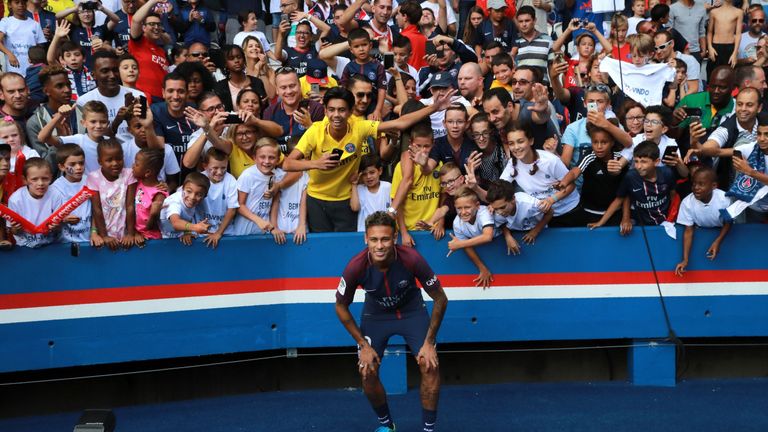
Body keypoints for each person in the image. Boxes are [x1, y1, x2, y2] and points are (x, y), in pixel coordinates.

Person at [283, 86, 455, 233]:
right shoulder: (315, 131)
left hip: (345, 200)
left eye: (342, 110)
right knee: (321, 249)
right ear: (325, 111)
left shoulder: (360, 127)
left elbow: (401, 123)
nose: (336, 115)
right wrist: (316, 163)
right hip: (316, 200)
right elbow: (287, 163)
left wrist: (435, 107)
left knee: (346, 248)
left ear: (350, 112)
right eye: (332, 110)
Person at [335, 210, 447, 432]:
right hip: (376, 316)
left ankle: (428, 430)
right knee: (367, 370)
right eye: (374, 239)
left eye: (385, 239)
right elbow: (340, 306)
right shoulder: (355, 266)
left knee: (429, 365)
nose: (379, 245)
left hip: (411, 312)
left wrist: (429, 342)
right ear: (366, 239)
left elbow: (441, 299)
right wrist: (363, 345)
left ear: (394, 238)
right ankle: (387, 425)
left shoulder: (412, 258)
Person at [588, 140, 677, 234]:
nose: (638, 166)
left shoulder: (667, 173)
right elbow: (620, 199)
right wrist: (601, 222)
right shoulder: (631, 177)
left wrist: (672, 218)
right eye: (636, 161)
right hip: (641, 224)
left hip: (665, 222)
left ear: (656, 162)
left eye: (643, 162)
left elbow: (673, 196)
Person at [501, 124, 581, 227]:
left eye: (520, 141)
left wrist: (552, 200)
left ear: (531, 141)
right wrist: (475, 187)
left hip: (569, 212)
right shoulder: (512, 164)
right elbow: (499, 189)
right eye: (511, 143)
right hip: (546, 216)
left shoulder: (550, 160)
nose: (516, 147)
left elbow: (571, 185)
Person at [687, 87, 763, 190]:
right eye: (740, 104)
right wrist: (696, 143)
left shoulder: (765, 121)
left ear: (759, 108)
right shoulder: (727, 128)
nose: (743, 109)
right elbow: (710, 146)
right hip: (734, 187)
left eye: (749, 105)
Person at [555, 121, 628, 225]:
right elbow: (575, 172)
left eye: (604, 142)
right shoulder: (589, 156)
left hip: (615, 213)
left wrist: (626, 218)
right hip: (589, 212)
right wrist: (564, 183)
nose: (599, 146)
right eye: (595, 142)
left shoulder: (620, 158)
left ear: (612, 142)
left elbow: (625, 193)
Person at [674, 166, 732, 277]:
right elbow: (688, 231)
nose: (696, 188)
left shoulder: (724, 199)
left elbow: (728, 223)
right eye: (694, 184)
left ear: (714, 186)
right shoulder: (687, 203)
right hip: (701, 228)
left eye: (701, 184)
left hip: (721, 231)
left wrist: (718, 241)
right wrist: (685, 260)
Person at [76, 51, 144, 143]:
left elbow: (145, 131)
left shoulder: (138, 96)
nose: (112, 75)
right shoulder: (84, 101)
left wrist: (131, 118)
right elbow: (85, 138)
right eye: (105, 71)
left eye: (115, 70)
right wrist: (117, 120)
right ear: (93, 75)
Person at [27, 66, 83, 176]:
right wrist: (58, 143)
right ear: (46, 91)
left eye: (68, 84)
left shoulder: (83, 112)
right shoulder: (35, 122)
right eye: (59, 86)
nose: (67, 90)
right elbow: (44, 167)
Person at [231, 137, 286, 242]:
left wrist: (274, 227)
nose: (266, 161)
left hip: (263, 232)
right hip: (244, 232)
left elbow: (275, 202)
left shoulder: (276, 176)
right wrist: (258, 221)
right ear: (254, 158)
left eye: (271, 157)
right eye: (262, 157)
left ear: (278, 160)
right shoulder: (248, 175)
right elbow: (239, 205)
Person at [87, 138, 138, 250]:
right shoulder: (93, 177)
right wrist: (104, 236)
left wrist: (130, 233)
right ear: (100, 161)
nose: (115, 163)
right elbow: (97, 209)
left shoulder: (129, 174)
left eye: (119, 159)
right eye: (109, 160)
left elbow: (130, 206)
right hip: (104, 233)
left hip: (125, 232)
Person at [38, 100, 112, 175]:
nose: (98, 126)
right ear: (83, 123)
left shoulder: (111, 143)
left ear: (108, 123)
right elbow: (42, 137)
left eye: (103, 122)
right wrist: (60, 116)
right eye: (93, 122)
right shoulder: (78, 140)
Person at [446, 186, 498, 288]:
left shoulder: (484, 212)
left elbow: (487, 236)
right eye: (459, 208)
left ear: (477, 205)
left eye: (467, 207)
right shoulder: (457, 223)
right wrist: (482, 268)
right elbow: (467, 247)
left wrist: (459, 244)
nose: (463, 212)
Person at [263, 67, 325, 152]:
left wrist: (310, 125)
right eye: (283, 87)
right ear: (277, 90)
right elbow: (266, 146)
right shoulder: (269, 112)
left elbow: (324, 144)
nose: (289, 91)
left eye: (292, 86)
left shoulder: (316, 108)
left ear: (300, 85)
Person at [6, 157, 63, 248]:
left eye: (45, 178)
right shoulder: (15, 199)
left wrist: (56, 227)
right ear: (25, 180)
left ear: (51, 178)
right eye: (34, 179)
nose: (40, 183)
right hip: (24, 247)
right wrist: (16, 229)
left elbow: (59, 227)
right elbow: (12, 230)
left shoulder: (56, 194)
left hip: (50, 245)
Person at [486, 178, 551, 254]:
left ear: (513, 199)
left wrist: (535, 231)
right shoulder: (496, 212)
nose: (499, 212)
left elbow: (550, 211)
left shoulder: (529, 204)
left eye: (502, 207)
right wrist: (507, 236)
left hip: (541, 231)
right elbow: (501, 223)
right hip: (518, 233)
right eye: (495, 208)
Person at [129, 0, 171, 101]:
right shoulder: (138, 43)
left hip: (162, 100)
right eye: (152, 24)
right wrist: (154, 1)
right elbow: (136, 20)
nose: (156, 27)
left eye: (158, 25)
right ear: (143, 27)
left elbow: (169, 39)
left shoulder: (161, 50)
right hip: (144, 97)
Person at [50, 144, 91, 243]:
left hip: (89, 240)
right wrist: (62, 218)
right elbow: (50, 218)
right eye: (72, 164)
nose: (78, 167)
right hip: (65, 242)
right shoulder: (55, 188)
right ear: (62, 167)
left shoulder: (91, 182)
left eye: (81, 163)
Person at [199, 148, 239, 247]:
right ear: (205, 166)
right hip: (201, 232)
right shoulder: (198, 179)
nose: (220, 172)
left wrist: (218, 233)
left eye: (223, 168)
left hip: (226, 232)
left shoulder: (231, 180)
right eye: (215, 168)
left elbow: (232, 210)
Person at [47, 23, 97, 101]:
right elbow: (50, 59)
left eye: (77, 55)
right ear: (62, 60)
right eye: (68, 55)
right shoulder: (62, 72)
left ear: (84, 58)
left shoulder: (92, 72)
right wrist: (56, 37)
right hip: (70, 108)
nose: (73, 58)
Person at [160, 172, 211, 245]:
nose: (192, 197)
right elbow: (175, 223)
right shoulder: (174, 202)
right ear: (182, 189)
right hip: (161, 239)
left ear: (204, 197)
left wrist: (187, 232)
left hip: (177, 238)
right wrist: (195, 227)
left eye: (199, 194)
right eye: (189, 191)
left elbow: (188, 217)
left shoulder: (190, 202)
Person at [273, 141, 309, 244]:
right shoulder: (279, 175)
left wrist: (301, 225)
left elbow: (303, 202)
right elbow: (275, 202)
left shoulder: (307, 176)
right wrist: (274, 227)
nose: (301, 163)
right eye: (298, 159)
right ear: (288, 157)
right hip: (280, 226)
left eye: (304, 158)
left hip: (299, 228)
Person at [130, 148, 168, 243]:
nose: (132, 166)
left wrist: (141, 233)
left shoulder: (159, 192)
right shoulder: (137, 182)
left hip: (151, 238)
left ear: (147, 172)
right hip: (137, 234)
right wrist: (135, 232)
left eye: (136, 164)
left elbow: (154, 218)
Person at [0, 0, 46, 75]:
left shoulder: (35, 24)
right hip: (13, 68)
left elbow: (40, 47)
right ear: (9, 5)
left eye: (23, 3)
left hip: (33, 69)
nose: (21, 5)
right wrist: (9, 54)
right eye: (17, 2)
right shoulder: (5, 22)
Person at [351, 153, 391, 232]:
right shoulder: (359, 189)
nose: (368, 177)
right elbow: (355, 208)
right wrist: (354, 185)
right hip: (365, 232)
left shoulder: (387, 187)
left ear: (380, 171)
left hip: (385, 231)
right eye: (364, 174)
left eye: (372, 172)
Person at [706, 0, 742, 76]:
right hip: (715, 48)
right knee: (712, 74)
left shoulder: (738, 12)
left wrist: (735, 53)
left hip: (730, 48)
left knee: (729, 75)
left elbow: (738, 34)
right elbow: (709, 32)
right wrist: (710, 47)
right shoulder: (714, 12)